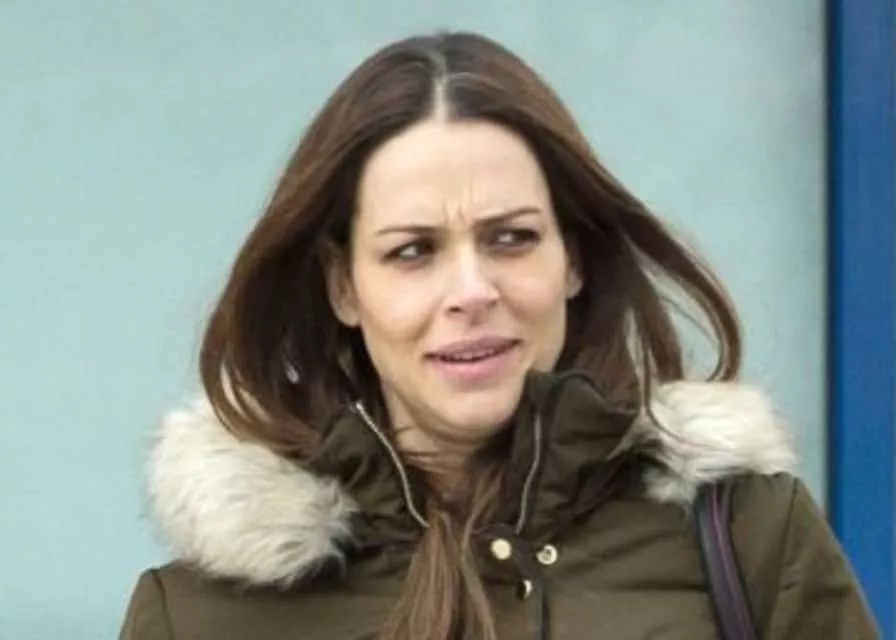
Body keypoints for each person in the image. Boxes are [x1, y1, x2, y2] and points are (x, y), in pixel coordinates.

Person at [119, 31, 877, 640]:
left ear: (573, 258)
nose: (471, 291)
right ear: (344, 287)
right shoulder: (200, 615)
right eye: (412, 251)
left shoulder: (745, 538)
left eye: (511, 238)